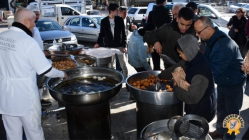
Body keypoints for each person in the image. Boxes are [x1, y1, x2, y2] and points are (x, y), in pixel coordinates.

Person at [0, 8, 67, 140]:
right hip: (25, 97)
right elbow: (46, 70)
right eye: (33, 21)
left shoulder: (1, 37)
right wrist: (62, 74)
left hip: (5, 96)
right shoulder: (28, 42)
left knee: (12, 134)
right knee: (34, 132)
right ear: (25, 22)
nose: (34, 25)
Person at [194, 16, 246, 140]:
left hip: (234, 84)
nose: (197, 34)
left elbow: (213, 71)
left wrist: (194, 82)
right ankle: (220, 131)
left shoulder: (224, 45)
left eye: (199, 32)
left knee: (232, 115)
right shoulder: (211, 39)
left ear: (209, 28)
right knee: (221, 109)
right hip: (223, 81)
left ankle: (230, 137)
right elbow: (205, 61)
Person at [157, 35, 216, 122]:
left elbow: (192, 98)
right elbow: (176, 67)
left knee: (196, 131)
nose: (180, 56)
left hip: (201, 113)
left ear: (188, 51)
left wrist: (175, 87)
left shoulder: (200, 73)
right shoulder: (194, 58)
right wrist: (160, 76)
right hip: (196, 107)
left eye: (180, 53)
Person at [26, 4, 52, 107]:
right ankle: (35, 104)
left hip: (39, 57)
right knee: (36, 83)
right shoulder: (29, 29)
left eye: (39, 14)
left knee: (40, 84)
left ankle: (39, 100)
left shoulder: (34, 27)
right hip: (34, 61)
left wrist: (43, 51)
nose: (38, 17)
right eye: (36, 14)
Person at [94, 3, 128, 79]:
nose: (118, 12)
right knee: (110, 65)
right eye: (117, 10)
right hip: (109, 46)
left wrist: (124, 46)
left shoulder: (120, 20)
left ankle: (126, 81)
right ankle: (113, 80)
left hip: (119, 46)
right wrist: (97, 43)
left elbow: (123, 34)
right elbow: (101, 33)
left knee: (123, 65)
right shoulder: (104, 21)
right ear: (111, 11)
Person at [146, 0, 173, 70]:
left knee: (156, 64)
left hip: (155, 41)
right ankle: (167, 79)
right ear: (164, 2)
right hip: (167, 41)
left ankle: (157, 78)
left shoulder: (152, 13)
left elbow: (150, 28)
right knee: (167, 63)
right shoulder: (168, 11)